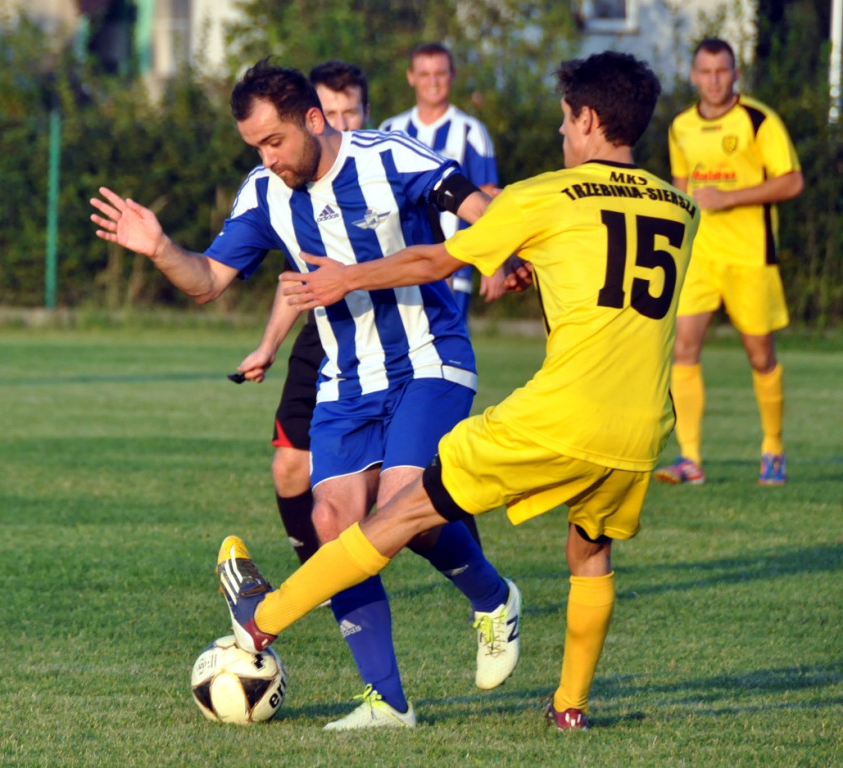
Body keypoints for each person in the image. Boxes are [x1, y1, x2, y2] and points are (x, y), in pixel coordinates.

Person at [216, 50, 699, 732]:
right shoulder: (682, 210)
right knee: (590, 552)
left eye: (566, 121)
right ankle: (568, 708)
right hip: (644, 427)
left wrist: (347, 278)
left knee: (399, 512)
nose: (562, 135)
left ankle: (261, 620)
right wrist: (526, 263)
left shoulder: (546, 195)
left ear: (588, 119)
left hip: (556, 415)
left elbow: (435, 259)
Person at [91, 59, 524, 731]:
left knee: (405, 501)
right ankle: (389, 702)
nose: (268, 159)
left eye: (274, 142)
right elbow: (206, 280)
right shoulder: (264, 192)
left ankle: (494, 598)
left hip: (429, 357)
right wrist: (159, 248)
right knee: (331, 524)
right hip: (347, 382)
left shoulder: (386, 157)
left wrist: (501, 250)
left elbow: (470, 201)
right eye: (255, 147)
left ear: (312, 120)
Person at [235, 61, 372, 566]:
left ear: (366, 112)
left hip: (400, 340)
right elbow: (297, 278)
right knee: (290, 466)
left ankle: (478, 581)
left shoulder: (386, 175)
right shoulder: (291, 186)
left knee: (415, 483)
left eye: (349, 111)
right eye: (331, 111)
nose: (341, 121)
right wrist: (268, 346)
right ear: (314, 117)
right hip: (326, 334)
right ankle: (314, 575)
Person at [655, 38, 803, 487]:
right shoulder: (680, 125)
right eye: (706, 71)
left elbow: (792, 181)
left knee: (760, 356)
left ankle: (773, 449)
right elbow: (681, 192)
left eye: (723, 71)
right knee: (683, 349)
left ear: (735, 74)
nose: (714, 79)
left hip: (750, 256)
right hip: (701, 256)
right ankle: (690, 459)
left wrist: (730, 197)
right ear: (694, 75)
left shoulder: (759, 120)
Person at [380, 42, 509, 317]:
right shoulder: (390, 130)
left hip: (454, 265)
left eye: (440, 73)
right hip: (396, 266)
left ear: (452, 75)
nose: (433, 82)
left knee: (448, 349)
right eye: (425, 74)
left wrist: (494, 263)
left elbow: (488, 199)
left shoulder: (471, 131)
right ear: (411, 77)